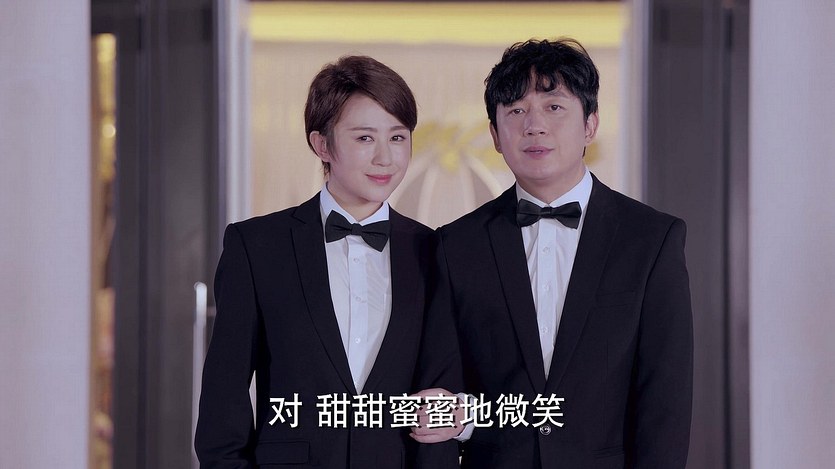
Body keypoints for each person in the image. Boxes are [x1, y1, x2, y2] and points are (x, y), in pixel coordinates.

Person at [412, 38, 693, 468]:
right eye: (515, 111)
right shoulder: (456, 245)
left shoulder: (651, 239)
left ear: (590, 124)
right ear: (495, 136)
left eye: (554, 107)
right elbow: (441, 399)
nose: (534, 126)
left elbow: (665, 403)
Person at [196, 55, 456, 468]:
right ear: (322, 145)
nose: (386, 158)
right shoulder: (258, 246)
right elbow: (223, 396)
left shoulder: (433, 251)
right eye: (365, 138)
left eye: (398, 137)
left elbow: (440, 391)